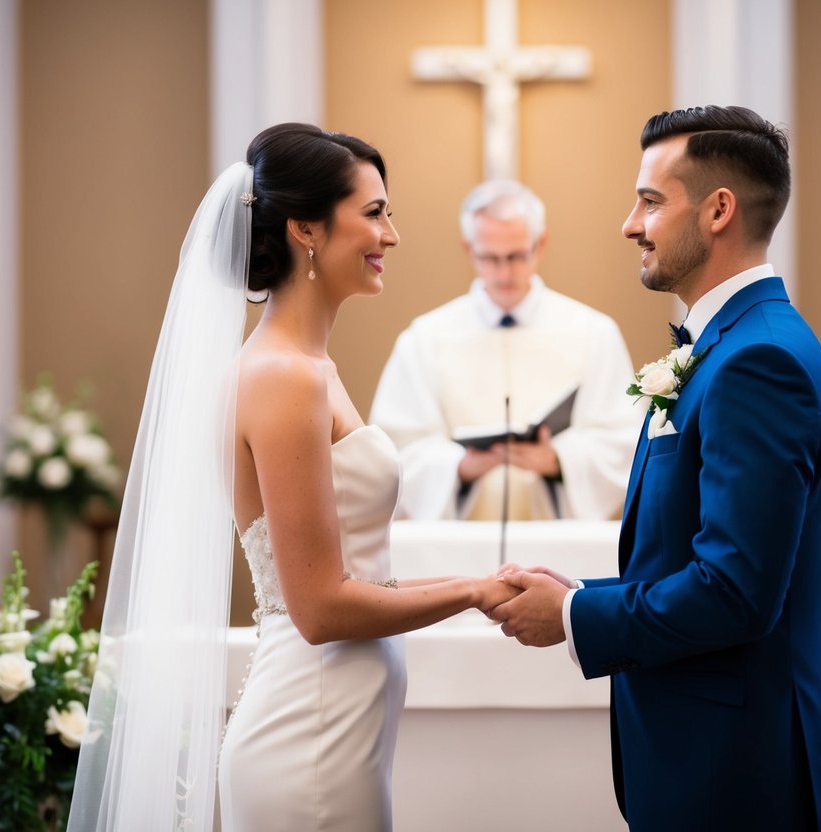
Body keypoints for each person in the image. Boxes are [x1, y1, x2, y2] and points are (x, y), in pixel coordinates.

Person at [68, 124, 518, 832]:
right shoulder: (282, 377)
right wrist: (472, 590)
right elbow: (319, 609)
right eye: (374, 213)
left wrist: (481, 581)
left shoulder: (309, 369)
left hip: (341, 731)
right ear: (306, 227)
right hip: (308, 739)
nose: (390, 236)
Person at [491, 106, 821, 831]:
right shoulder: (729, 345)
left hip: (737, 779)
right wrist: (584, 591)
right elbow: (699, 553)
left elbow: (735, 593)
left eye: (650, 201)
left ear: (718, 210)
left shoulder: (758, 361)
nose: (630, 224)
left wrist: (569, 616)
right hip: (712, 764)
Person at [369, 179, 642, 521]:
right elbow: (396, 451)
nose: (503, 272)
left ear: (540, 244)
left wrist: (557, 460)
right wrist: (460, 467)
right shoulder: (424, 338)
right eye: (489, 257)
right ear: (469, 249)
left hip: (560, 542)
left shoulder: (594, 332)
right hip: (460, 546)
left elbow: (624, 442)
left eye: (516, 256)